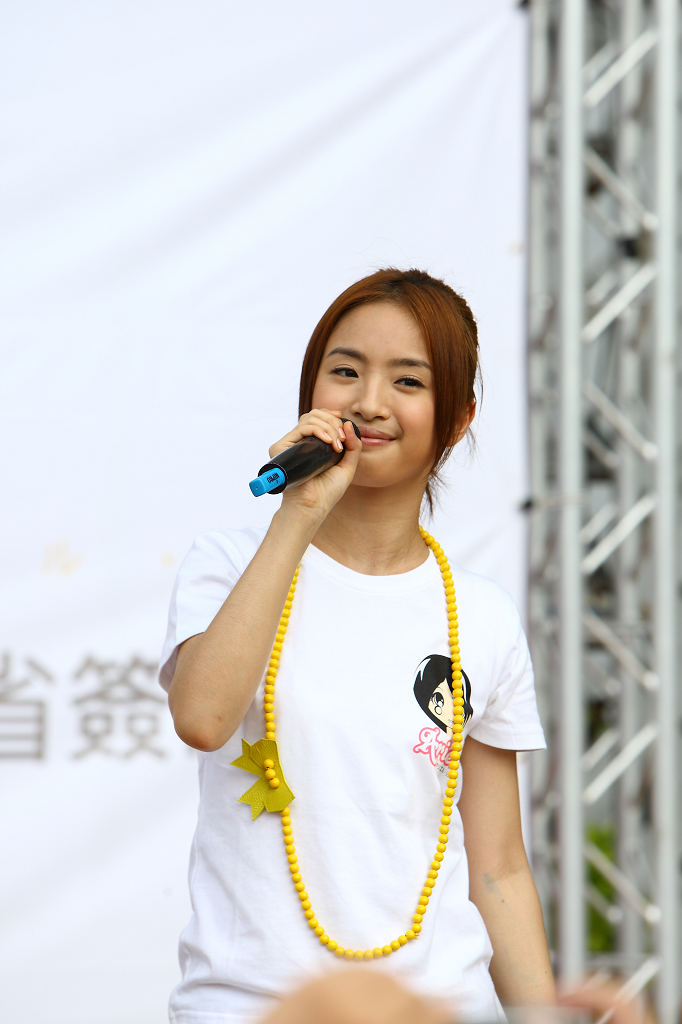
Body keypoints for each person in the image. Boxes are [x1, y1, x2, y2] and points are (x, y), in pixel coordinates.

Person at [160, 268, 555, 1024]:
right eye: (345, 372)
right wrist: (299, 512)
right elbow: (202, 718)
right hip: (253, 1007)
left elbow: (499, 865)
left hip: (442, 1007)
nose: (370, 402)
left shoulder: (482, 615)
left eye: (408, 381)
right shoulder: (231, 563)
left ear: (458, 418)